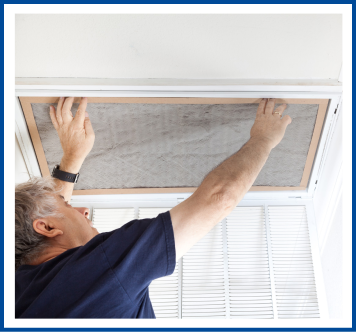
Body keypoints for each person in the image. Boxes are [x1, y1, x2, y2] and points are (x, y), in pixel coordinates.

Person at [14, 97, 291, 327]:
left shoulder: (24, 283)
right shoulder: (96, 271)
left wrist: (71, 163)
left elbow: (220, 198)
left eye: (70, 204)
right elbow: (219, 197)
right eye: (70, 206)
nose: (84, 210)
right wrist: (263, 139)